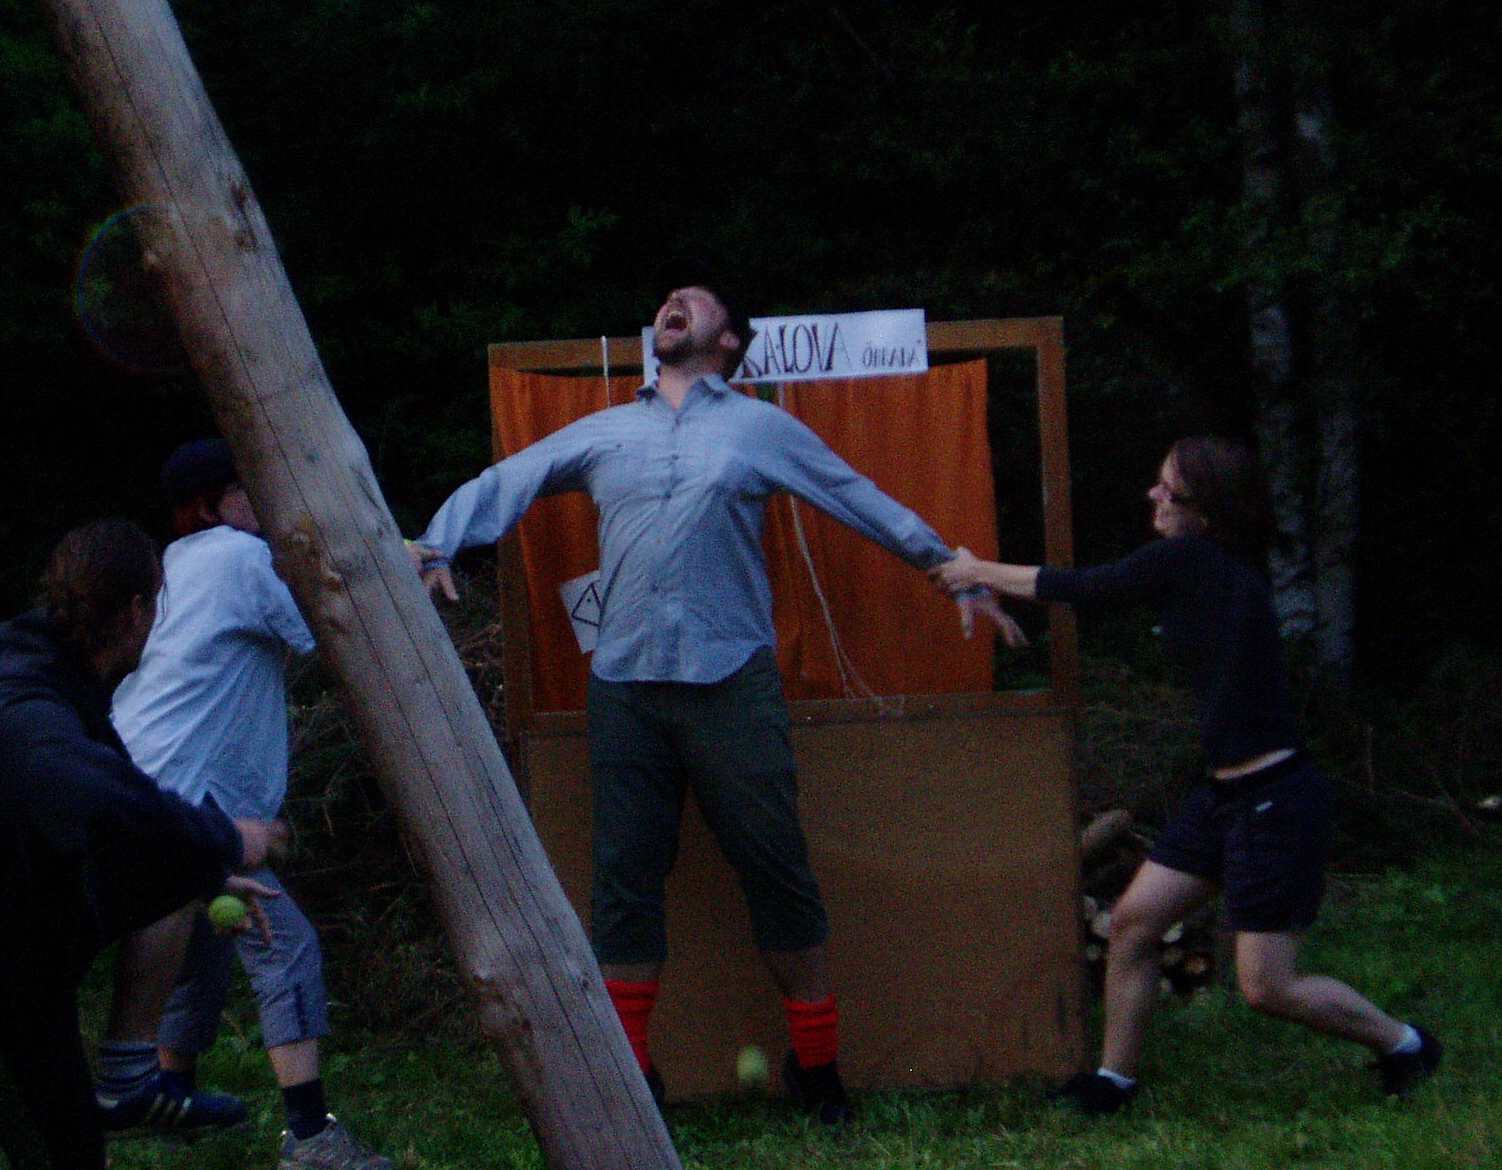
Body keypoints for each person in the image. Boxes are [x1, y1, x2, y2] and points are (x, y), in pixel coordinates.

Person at [412, 274, 1022, 1124]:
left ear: (728, 339)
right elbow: (509, 479)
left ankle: (817, 1070)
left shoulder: (759, 428)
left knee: (777, 869)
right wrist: (438, 542)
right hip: (625, 688)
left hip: (732, 682)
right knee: (625, 881)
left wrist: (945, 565)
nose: (672, 302)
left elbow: (855, 495)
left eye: (693, 301)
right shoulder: (607, 430)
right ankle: (634, 1085)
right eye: (666, 298)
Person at [934, 436, 1441, 1113]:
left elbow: (1084, 588)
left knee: (1266, 986)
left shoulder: (1193, 559)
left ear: (1203, 507)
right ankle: (1114, 1083)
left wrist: (976, 570)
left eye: (1168, 488)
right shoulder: (1201, 568)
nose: (1154, 495)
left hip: (1275, 799)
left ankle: (1405, 1044)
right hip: (1224, 793)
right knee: (1134, 923)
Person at [0, 518, 282, 1170]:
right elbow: (99, 799)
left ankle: (128, 1079)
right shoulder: (26, 706)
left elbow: (121, 803)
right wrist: (228, 837)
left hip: (12, 941)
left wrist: (205, 869)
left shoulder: (57, 672)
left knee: (69, 1164)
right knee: (60, 1169)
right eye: (158, 604)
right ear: (135, 611)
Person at [93, 440, 393, 1170]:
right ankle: (309, 1135)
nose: (260, 497)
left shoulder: (174, 566)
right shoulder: (238, 557)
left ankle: (169, 1096)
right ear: (210, 505)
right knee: (283, 944)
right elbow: (331, 631)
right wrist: (393, 574)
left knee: (197, 944)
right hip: (188, 795)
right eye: (244, 487)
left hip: (135, 785)